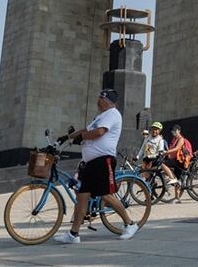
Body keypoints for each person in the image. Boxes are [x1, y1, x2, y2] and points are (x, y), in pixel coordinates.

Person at [54, 89, 139, 243]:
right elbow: (85, 130)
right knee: (82, 197)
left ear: (108, 101)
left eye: (101, 98)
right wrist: (65, 137)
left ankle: (130, 224)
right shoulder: (100, 117)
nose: (98, 100)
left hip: (103, 160)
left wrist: (82, 137)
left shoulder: (112, 113)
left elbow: (99, 132)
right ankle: (74, 234)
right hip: (90, 163)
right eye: (99, 97)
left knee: (106, 194)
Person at [140, 122, 177, 189]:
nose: (154, 131)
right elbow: (142, 148)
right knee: (144, 175)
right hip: (146, 159)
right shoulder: (147, 138)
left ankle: (171, 178)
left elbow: (160, 152)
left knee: (149, 175)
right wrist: (137, 156)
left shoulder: (160, 140)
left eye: (157, 129)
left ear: (159, 131)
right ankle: (151, 190)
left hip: (154, 159)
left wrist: (150, 156)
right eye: (153, 129)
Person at [164, 125, 192, 204]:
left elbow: (177, 148)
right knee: (178, 180)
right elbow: (172, 150)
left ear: (179, 131)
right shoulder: (174, 140)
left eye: (175, 131)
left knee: (163, 164)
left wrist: (166, 152)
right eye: (172, 131)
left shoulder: (181, 139)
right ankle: (177, 198)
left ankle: (172, 180)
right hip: (176, 160)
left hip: (181, 161)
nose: (173, 132)